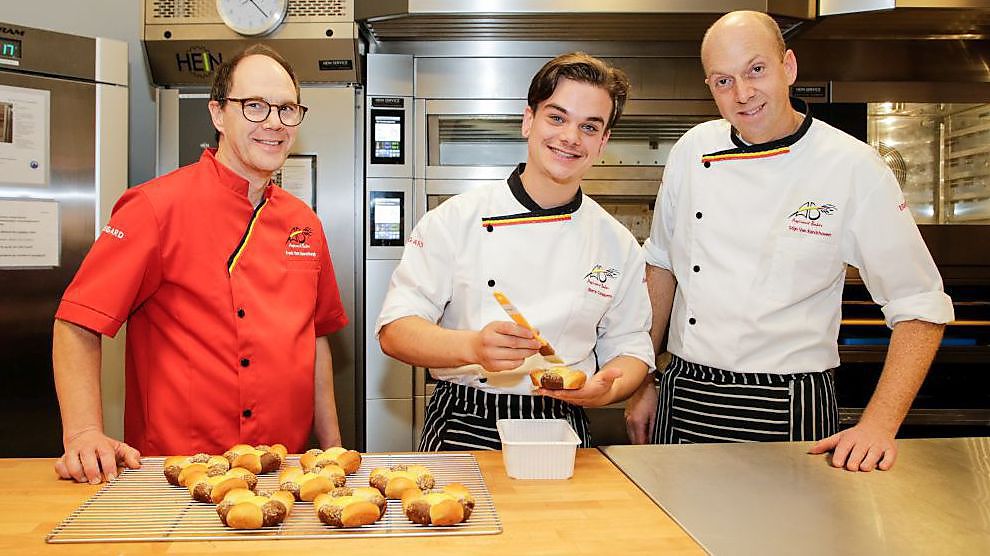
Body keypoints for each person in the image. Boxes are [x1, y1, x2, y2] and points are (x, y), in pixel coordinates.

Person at [624, 11, 953, 472]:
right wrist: (643, 380)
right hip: (686, 392)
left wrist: (879, 423)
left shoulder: (853, 166)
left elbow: (920, 304)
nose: (742, 94)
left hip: (789, 401)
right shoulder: (692, 150)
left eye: (755, 70)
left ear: (789, 67)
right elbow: (661, 266)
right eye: (723, 81)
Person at [52, 44, 349, 483]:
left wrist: (332, 451)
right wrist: (83, 432)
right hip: (178, 474)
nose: (274, 122)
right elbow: (78, 321)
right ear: (217, 114)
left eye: (287, 109)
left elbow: (315, 339)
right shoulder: (154, 208)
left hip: (281, 473)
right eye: (254, 106)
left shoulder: (303, 223)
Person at [376, 52, 654, 450]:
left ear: (603, 141)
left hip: (562, 420)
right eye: (557, 118)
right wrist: (471, 346)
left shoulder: (616, 244)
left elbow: (630, 348)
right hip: (464, 417)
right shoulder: (454, 219)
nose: (570, 137)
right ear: (529, 120)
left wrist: (607, 391)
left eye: (589, 127)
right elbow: (396, 330)